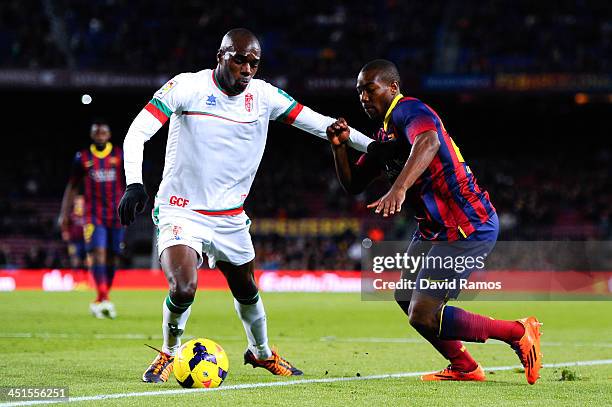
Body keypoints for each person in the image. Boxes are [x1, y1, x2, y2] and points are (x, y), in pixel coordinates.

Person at [118, 28, 374, 383]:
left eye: (254, 62)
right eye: (240, 60)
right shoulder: (187, 87)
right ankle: (169, 352)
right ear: (221, 56)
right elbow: (137, 132)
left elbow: (323, 125)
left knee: (247, 289)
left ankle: (262, 353)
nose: (248, 69)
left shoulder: (264, 96)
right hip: (182, 210)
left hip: (230, 217)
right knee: (183, 287)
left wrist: (374, 149)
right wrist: (134, 183)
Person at [326, 59, 542, 384]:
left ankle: (517, 331)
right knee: (404, 297)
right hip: (433, 230)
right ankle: (465, 367)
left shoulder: (409, 110)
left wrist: (399, 188)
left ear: (393, 88)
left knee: (423, 313)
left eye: (370, 90)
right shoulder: (385, 136)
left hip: (465, 224)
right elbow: (354, 183)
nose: (364, 98)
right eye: (359, 93)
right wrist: (338, 148)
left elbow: (429, 142)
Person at [59, 121, 124, 319]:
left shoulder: (119, 155)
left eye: (103, 132)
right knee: (98, 253)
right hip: (93, 215)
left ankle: (103, 296)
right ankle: (103, 298)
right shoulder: (83, 158)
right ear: (92, 135)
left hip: (117, 214)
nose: (100, 135)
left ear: (109, 134)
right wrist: (64, 213)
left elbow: (131, 181)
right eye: (97, 132)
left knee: (113, 256)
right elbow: (72, 186)